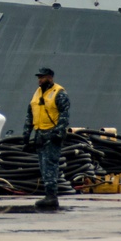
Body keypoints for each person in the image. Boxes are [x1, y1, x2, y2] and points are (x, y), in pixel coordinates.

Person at [22, 67, 70, 209]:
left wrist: (59, 133)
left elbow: (64, 115)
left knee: (50, 165)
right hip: (39, 134)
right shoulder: (36, 94)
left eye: (42, 77)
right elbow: (30, 115)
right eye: (39, 77)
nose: (39, 80)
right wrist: (26, 136)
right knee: (43, 166)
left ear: (50, 78)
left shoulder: (59, 93)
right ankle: (48, 195)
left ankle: (51, 196)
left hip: (51, 134)